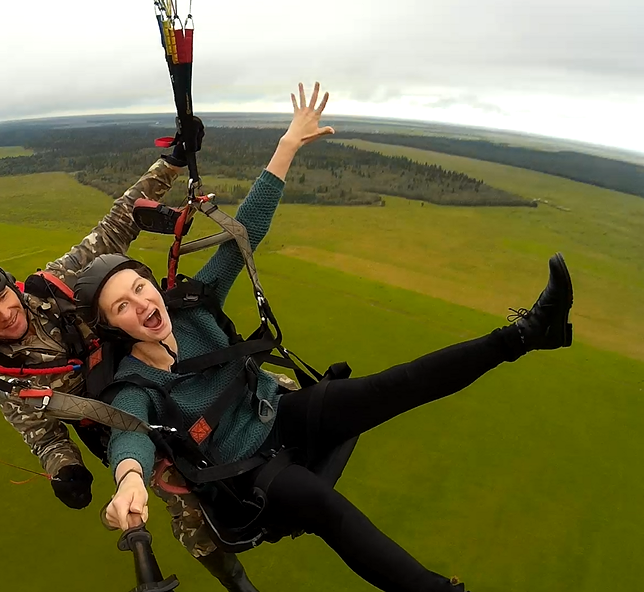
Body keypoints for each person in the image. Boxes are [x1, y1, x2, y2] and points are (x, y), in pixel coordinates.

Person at [73, 82, 575, 592]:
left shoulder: (192, 306)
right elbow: (129, 434)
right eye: (123, 307)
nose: (141, 305)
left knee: (394, 386)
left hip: (279, 413)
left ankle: (528, 334)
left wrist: (287, 145)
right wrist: (129, 479)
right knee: (324, 506)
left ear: (152, 283)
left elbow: (247, 230)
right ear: (114, 326)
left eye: (140, 288)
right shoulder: (134, 383)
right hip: (248, 474)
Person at [0, 128, 266, 592]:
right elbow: (45, 437)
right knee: (195, 522)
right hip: (128, 422)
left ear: (11, 285)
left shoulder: (54, 283)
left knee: (266, 393)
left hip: (164, 364)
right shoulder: (8, 383)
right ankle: (238, 583)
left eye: (0, 298)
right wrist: (64, 470)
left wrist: (171, 165)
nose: (2, 313)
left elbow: (119, 223)